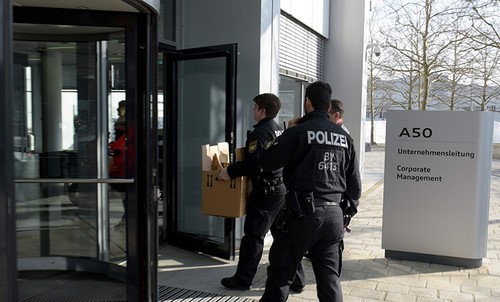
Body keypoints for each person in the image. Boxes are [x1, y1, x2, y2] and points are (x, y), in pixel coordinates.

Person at [259, 81, 362, 301]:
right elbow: (354, 182)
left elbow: (267, 161)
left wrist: (287, 132)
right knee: (329, 280)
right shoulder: (344, 137)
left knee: (280, 276)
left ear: (307, 102)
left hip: (301, 217)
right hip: (334, 217)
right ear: (327, 107)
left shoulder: (298, 132)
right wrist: (347, 214)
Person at [219, 93, 286, 290]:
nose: (252, 111)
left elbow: (253, 164)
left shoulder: (259, 134)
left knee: (253, 238)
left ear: (262, 110)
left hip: (265, 193)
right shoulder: (278, 129)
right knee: (283, 238)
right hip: (280, 190)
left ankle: (242, 279)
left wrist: (229, 172)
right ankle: (295, 280)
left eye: (255, 107)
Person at [109, 100, 127, 227]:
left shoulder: (127, 124)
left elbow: (121, 142)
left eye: (119, 107)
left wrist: (113, 146)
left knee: (124, 189)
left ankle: (127, 215)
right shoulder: (121, 122)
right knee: (123, 190)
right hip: (120, 158)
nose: (117, 110)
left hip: (124, 159)